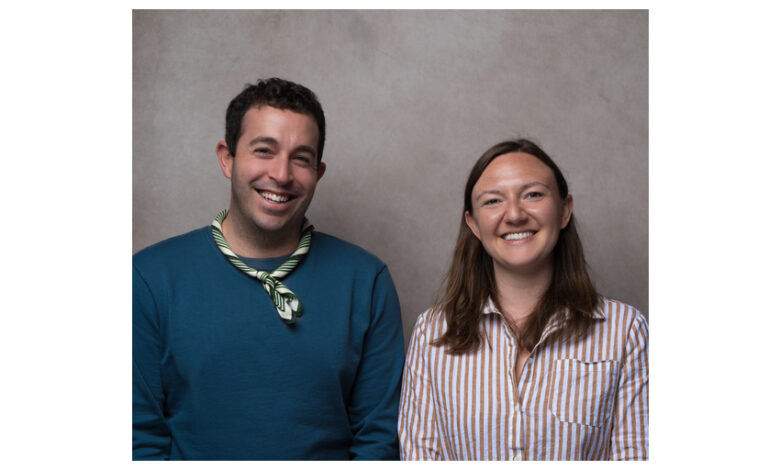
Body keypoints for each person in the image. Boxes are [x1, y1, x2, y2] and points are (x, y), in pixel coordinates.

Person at [133, 78, 405, 460]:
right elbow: (138, 440)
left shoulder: (366, 282)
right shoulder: (149, 279)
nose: (282, 174)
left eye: (301, 158)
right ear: (227, 158)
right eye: (264, 151)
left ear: (318, 173)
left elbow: (378, 439)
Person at [398, 139, 648, 460]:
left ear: (564, 210)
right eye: (493, 201)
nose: (514, 215)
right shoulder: (432, 332)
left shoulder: (625, 331)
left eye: (533, 195)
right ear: (473, 224)